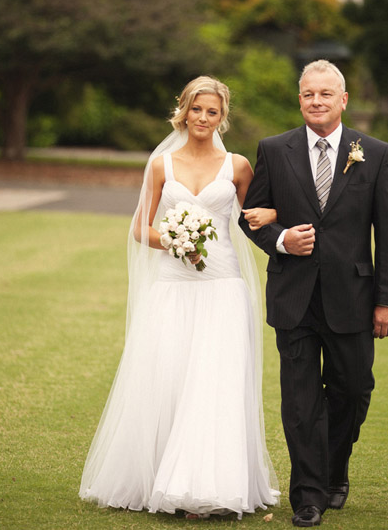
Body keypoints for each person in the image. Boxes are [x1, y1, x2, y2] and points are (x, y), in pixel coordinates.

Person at [79, 75, 280, 519]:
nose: (203, 118)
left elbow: (253, 219)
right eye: (196, 109)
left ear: (222, 116)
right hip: (172, 283)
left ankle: (206, 488)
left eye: (212, 111)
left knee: (215, 382)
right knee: (167, 377)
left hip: (222, 284)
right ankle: (159, 479)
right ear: (184, 111)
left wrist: (276, 213)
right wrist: (174, 241)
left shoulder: (239, 167)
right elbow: (139, 228)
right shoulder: (160, 166)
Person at [239, 60, 388, 527]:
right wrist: (281, 240)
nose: (317, 101)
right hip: (293, 296)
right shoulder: (274, 149)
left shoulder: (374, 152)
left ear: (343, 100)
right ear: (300, 99)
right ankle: (308, 496)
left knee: (352, 391)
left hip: (353, 296)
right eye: (309, 94)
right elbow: (251, 215)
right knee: (300, 402)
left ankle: (334, 470)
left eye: (326, 94)